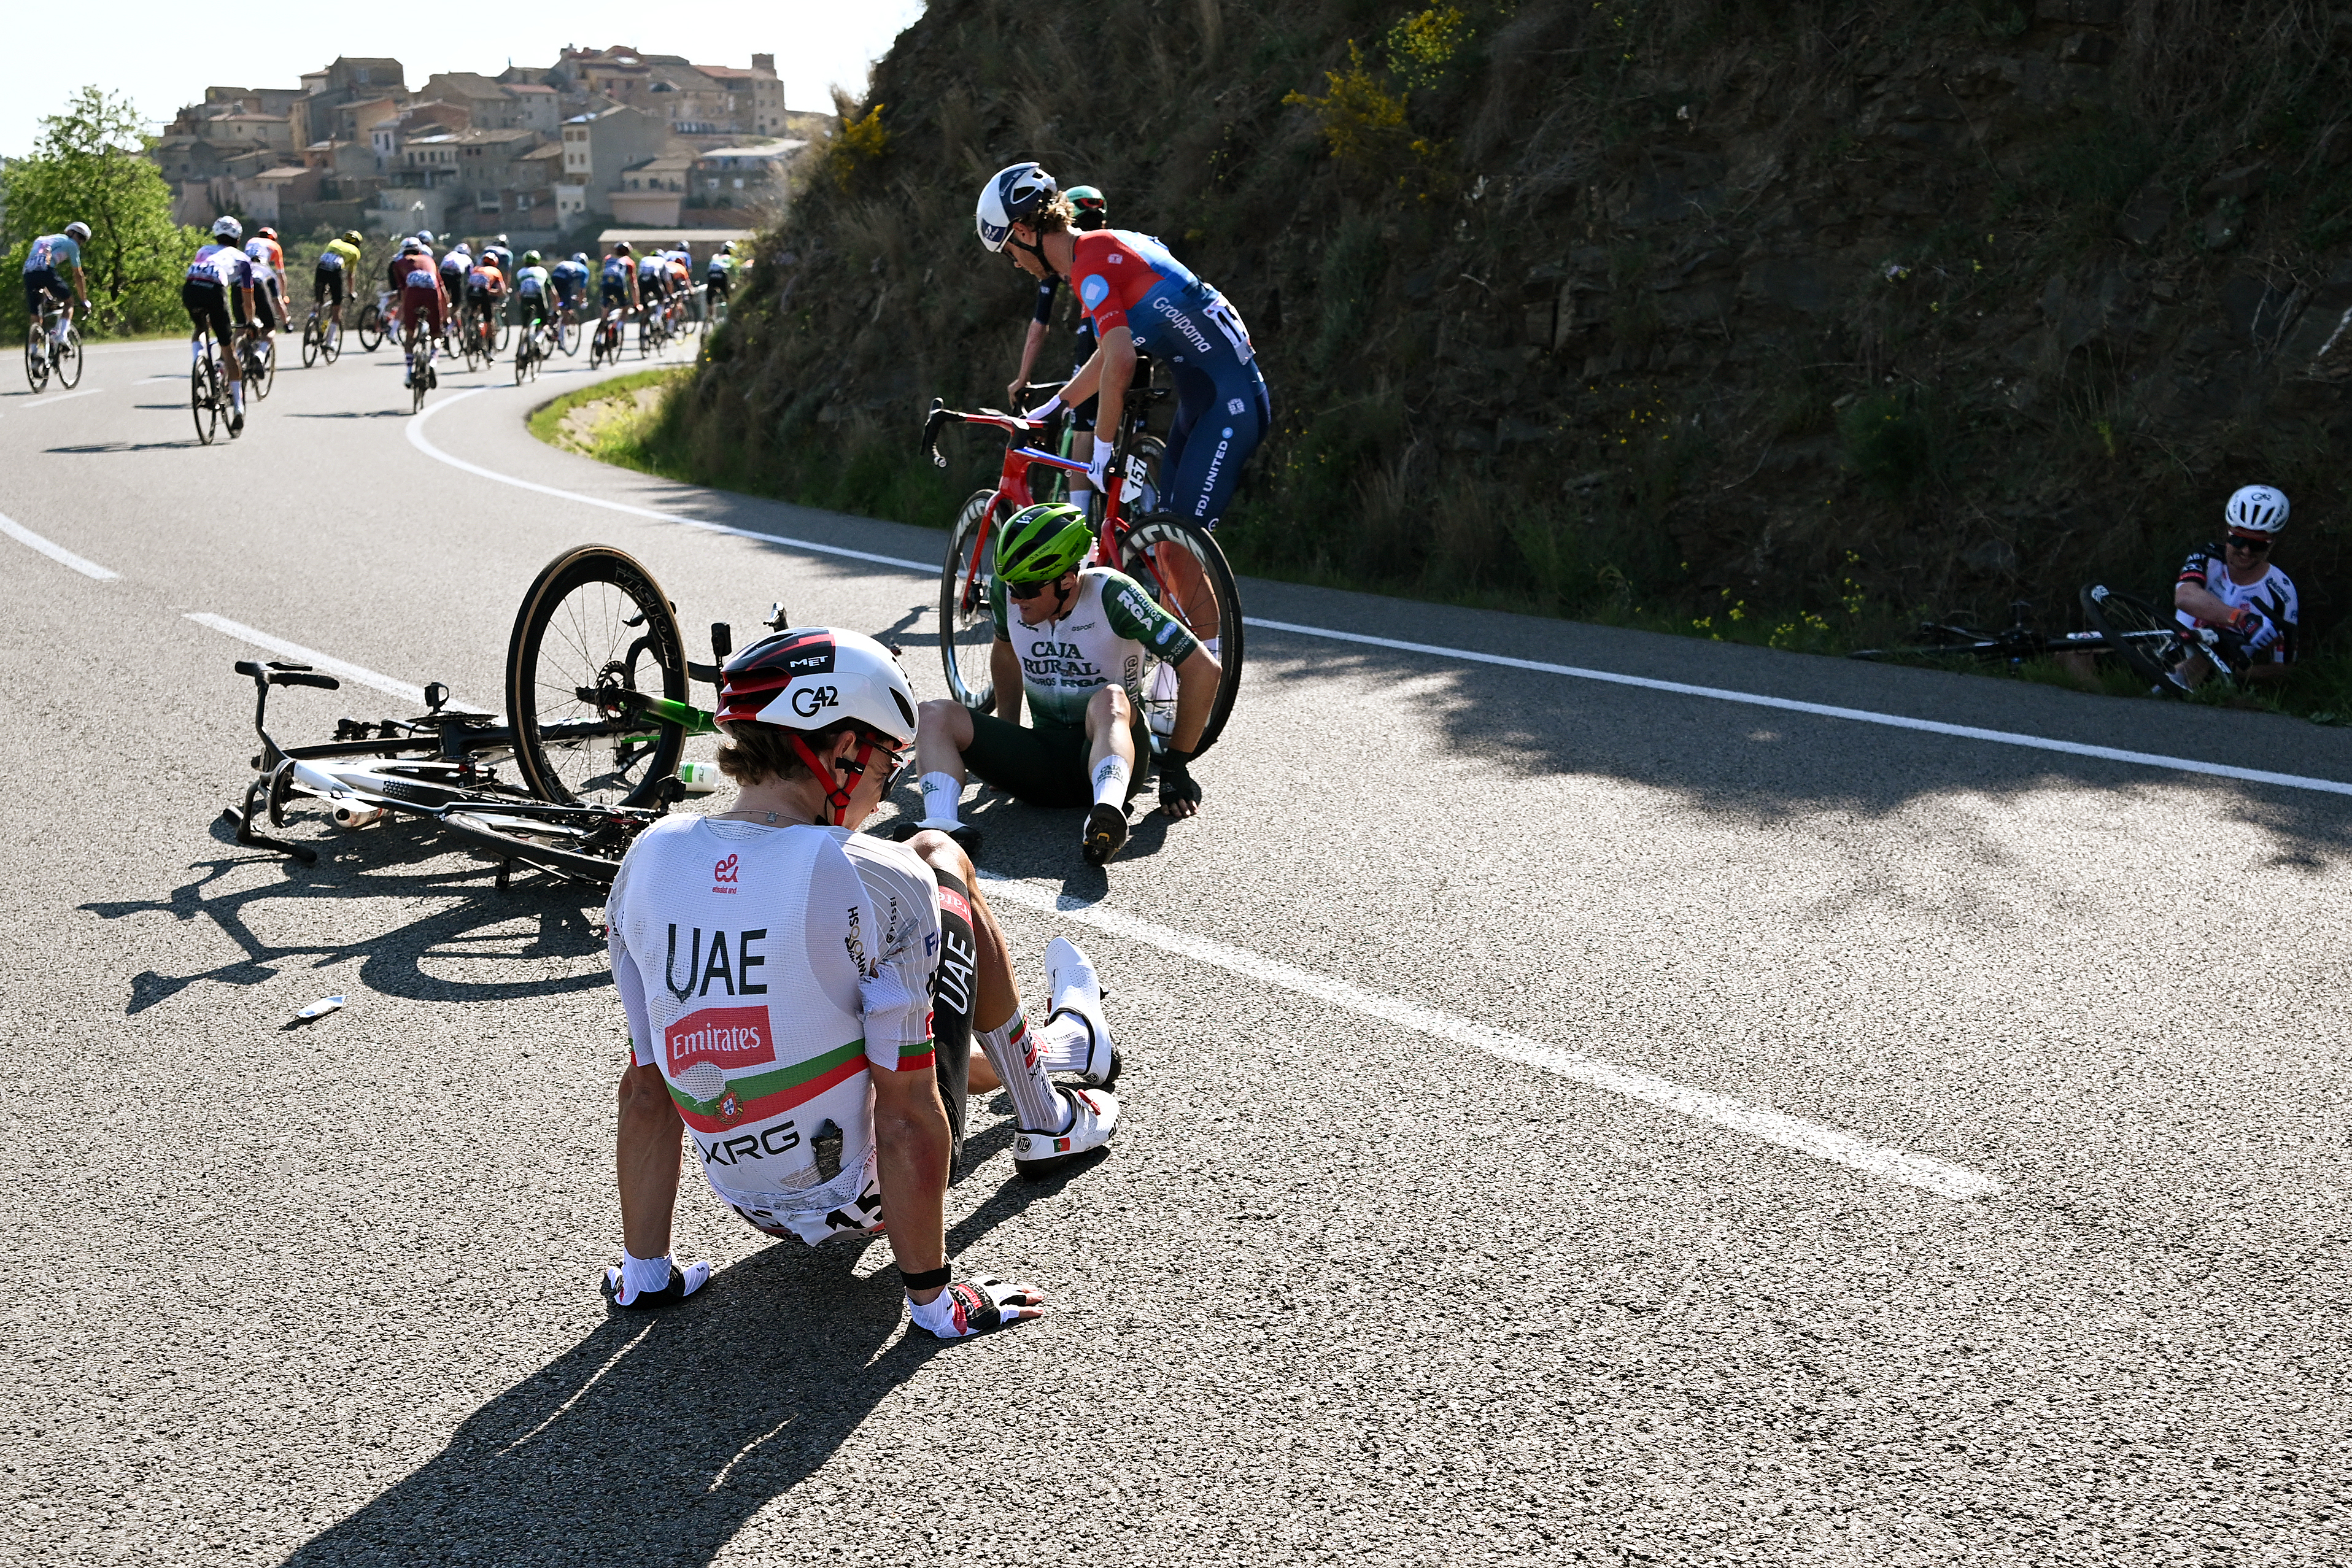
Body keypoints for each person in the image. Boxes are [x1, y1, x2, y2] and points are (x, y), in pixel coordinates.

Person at [600, 626, 1121, 1332]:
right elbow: (906, 1104)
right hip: (864, 1193)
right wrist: (936, 1299)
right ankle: (1048, 1117)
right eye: (884, 768)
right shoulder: (877, 871)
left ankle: (1064, 1050)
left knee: (820, 1026)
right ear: (842, 749)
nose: (880, 798)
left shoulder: (649, 855)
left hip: (751, 1203)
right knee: (938, 851)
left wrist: (647, 1274)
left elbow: (646, 1090)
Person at [902, 502, 1221, 865]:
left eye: (1026, 589)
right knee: (932, 714)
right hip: (1044, 759)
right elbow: (1005, 654)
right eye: (1010, 586)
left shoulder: (1113, 594)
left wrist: (1177, 765)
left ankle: (1106, 816)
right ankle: (941, 826)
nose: (1015, 598)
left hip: (1109, 755)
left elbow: (1203, 669)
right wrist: (1006, 733)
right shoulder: (1008, 596)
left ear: (1067, 581)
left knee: (1110, 697)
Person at [977, 161, 1269, 534]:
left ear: (1022, 231)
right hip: (1207, 400)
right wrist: (1056, 407)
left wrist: (1102, 449)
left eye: (1008, 252)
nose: (1015, 264)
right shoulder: (1105, 248)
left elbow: (1122, 360)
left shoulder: (1090, 269)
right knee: (1167, 548)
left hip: (1227, 407)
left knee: (1181, 550)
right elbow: (1108, 355)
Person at [1007, 185, 1112, 505]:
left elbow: (1040, 326)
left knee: (1082, 426)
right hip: (1142, 333)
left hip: (1100, 332)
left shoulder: (1059, 258)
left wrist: (1023, 377)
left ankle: (1079, 515)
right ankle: (1148, 503)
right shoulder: (1109, 244)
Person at [2173, 485, 2298, 687]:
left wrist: (2235, 672)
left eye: (2258, 544)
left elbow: (2284, 668)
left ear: (2273, 542)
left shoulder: (2282, 592)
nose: (2246, 551)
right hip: (2172, 645)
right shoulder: (2209, 556)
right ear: (2228, 532)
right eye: (2239, 540)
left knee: (2218, 645)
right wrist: (2240, 618)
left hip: (2222, 670)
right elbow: (2185, 596)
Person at [183, 217, 255, 435]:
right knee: (228, 350)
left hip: (190, 287)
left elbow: (201, 272)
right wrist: (250, 321)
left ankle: (200, 362)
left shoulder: (204, 249)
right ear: (238, 239)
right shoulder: (243, 259)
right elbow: (247, 299)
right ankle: (240, 409)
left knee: (200, 328)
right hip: (215, 290)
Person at [21, 221, 90, 350]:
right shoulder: (71, 244)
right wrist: (84, 300)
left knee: (36, 317)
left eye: (83, 240)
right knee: (69, 302)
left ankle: (34, 355)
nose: (80, 242)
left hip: (28, 272)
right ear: (70, 233)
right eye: (80, 237)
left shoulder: (42, 240)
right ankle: (62, 336)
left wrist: (48, 295)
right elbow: (78, 274)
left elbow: (37, 267)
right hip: (45, 270)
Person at [397, 237, 449, 390]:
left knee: (410, 335)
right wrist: (445, 315)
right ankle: (433, 362)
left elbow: (403, 291)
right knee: (436, 335)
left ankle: (408, 373)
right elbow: (442, 290)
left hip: (413, 294)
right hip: (432, 294)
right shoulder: (430, 261)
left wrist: (405, 313)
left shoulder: (400, 263)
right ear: (420, 250)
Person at [315, 230, 363, 333]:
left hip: (321, 268)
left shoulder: (335, 242)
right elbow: (350, 275)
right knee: (337, 307)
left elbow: (326, 260)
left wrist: (326, 286)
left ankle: (312, 318)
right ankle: (330, 341)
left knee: (319, 301)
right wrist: (351, 292)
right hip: (335, 271)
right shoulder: (355, 251)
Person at [243, 226, 288, 335]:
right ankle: (286, 323)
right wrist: (283, 295)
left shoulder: (251, 241)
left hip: (245, 273)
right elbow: (281, 275)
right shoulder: (276, 246)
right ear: (273, 238)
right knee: (277, 299)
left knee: (243, 323)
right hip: (261, 272)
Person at [463, 249, 506, 354]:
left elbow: (470, 284)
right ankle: (490, 345)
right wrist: (492, 293)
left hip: (470, 291)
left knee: (473, 311)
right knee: (489, 320)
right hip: (483, 292)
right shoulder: (496, 271)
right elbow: (502, 291)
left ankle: (470, 329)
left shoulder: (477, 269)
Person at [598, 242, 640, 351]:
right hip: (619, 284)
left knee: (605, 312)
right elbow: (633, 285)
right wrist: (636, 304)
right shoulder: (629, 262)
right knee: (625, 308)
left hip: (605, 283)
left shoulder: (608, 258)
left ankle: (598, 340)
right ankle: (618, 327)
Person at [512, 250, 554, 346]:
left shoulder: (520, 273)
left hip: (525, 298)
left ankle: (522, 348)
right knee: (545, 323)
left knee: (525, 327)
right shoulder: (543, 271)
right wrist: (555, 309)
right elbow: (553, 293)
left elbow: (518, 294)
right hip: (539, 297)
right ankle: (538, 339)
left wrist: (522, 306)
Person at [551, 250, 590, 315]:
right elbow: (582, 290)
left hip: (555, 275)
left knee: (558, 298)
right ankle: (564, 321)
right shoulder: (585, 270)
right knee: (567, 308)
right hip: (565, 278)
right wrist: (581, 301)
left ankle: (553, 312)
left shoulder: (569, 263)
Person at [704, 240, 737, 309]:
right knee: (728, 296)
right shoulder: (732, 258)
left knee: (710, 297)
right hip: (722, 276)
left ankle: (710, 315)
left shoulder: (715, 256)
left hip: (711, 276)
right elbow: (734, 273)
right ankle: (731, 310)